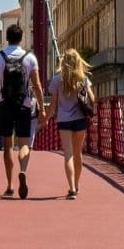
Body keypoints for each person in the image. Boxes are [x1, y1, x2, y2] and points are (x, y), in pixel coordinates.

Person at [0, 24, 43, 199]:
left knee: (8, 145)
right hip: (24, 105)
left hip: (4, 105)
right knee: (24, 144)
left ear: (6, 37)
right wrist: (41, 107)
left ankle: (10, 185)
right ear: (21, 39)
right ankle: (23, 171)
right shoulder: (30, 58)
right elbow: (38, 85)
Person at [45, 49, 93, 198]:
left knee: (68, 154)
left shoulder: (57, 79)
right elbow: (92, 98)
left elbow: (53, 105)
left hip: (64, 120)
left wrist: (45, 119)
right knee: (78, 154)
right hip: (80, 119)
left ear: (63, 62)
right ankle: (76, 185)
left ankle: (71, 187)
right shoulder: (83, 78)